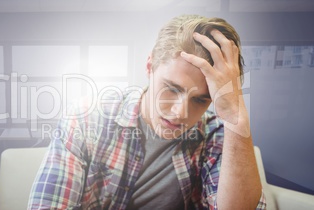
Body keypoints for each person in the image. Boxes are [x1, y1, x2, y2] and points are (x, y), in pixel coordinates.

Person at [28, 14, 266, 210]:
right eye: (171, 89)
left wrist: (235, 115)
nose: (180, 112)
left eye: (201, 100)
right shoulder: (85, 118)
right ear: (149, 66)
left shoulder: (217, 133)